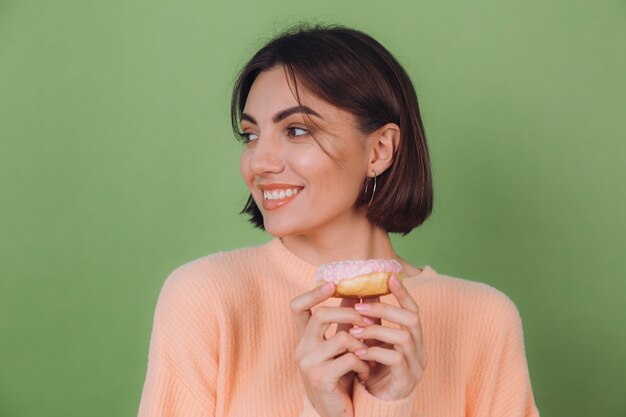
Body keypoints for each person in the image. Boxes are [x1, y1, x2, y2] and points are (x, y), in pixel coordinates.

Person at [137, 23, 540, 417]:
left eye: (296, 130)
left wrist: (387, 404)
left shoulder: (483, 321)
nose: (258, 162)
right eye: (251, 135)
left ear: (380, 149)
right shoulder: (206, 298)